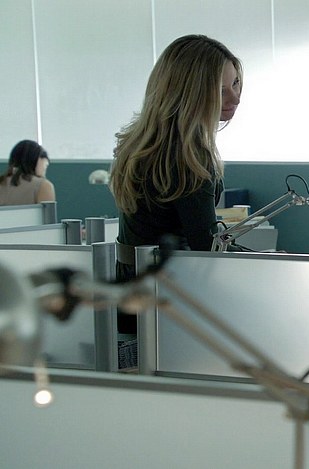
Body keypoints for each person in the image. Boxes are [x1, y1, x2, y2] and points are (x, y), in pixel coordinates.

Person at [109, 34, 242, 342]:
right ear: (190, 94)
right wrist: (273, 260)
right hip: (165, 304)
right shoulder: (189, 157)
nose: (235, 98)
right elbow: (206, 248)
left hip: (133, 294)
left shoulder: (142, 144)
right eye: (220, 90)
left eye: (235, 83)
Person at [0, 140, 56, 206]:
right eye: (45, 165)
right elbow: (48, 212)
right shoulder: (43, 186)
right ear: (36, 159)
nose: (46, 165)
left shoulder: (2, 183)